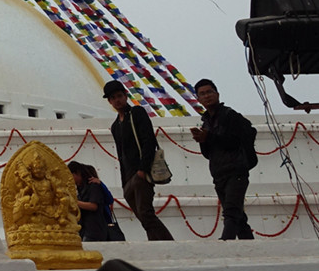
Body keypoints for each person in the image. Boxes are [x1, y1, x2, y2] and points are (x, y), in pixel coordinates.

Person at [103, 79, 174, 240]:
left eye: (120, 96)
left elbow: (148, 141)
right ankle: (158, 243)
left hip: (141, 173)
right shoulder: (115, 126)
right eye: (113, 98)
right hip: (127, 178)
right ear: (109, 101)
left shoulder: (137, 113)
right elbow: (120, 154)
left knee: (146, 213)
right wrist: (123, 183)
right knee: (143, 218)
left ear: (125, 96)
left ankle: (167, 244)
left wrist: (143, 169)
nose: (117, 100)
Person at [189, 78, 257, 240]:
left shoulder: (230, 116)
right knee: (238, 217)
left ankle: (226, 242)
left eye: (209, 92)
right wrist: (203, 140)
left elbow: (234, 142)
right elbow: (208, 153)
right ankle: (249, 247)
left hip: (236, 169)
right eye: (202, 94)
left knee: (232, 211)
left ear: (217, 94)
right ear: (198, 99)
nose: (207, 96)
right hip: (219, 172)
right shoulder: (205, 122)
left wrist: (210, 137)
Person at [68, 160, 110, 241]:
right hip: (84, 229)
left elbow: (93, 206)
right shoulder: (80, 189)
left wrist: (75, 202)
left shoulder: (93, 186)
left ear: (77, 173)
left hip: (94, 230)